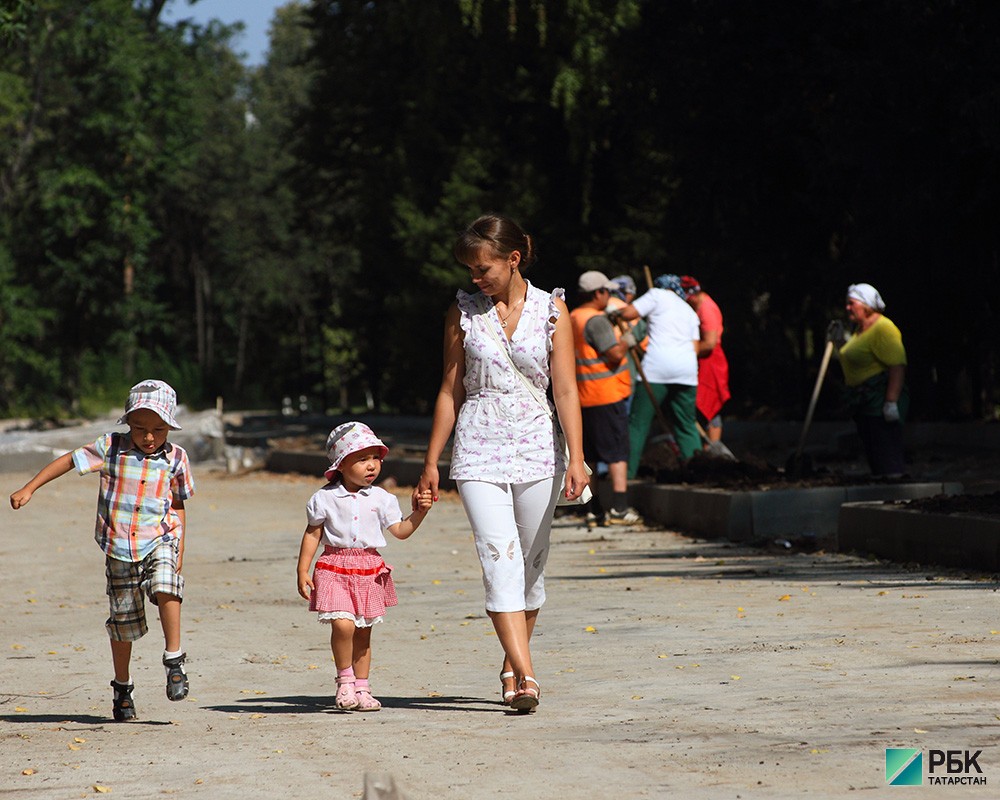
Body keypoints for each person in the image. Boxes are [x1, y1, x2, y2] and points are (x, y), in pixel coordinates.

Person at [415, 213, 588, 712]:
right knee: (499, 558)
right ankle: (528, 674)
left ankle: (512, 664)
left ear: (514, 259)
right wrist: (431, 461)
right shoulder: (463, 313)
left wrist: (578, 458)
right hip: (477, 448)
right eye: (469, 268)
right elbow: (450, 390)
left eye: (482, 267)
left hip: (539, 447)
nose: (475, 277)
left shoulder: (552, 311)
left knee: (530, 567)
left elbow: (567, 390)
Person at [9, 380, 195, 722]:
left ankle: (174, 659)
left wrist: (179, 543)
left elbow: (179, 503)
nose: (149, 437)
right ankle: (123, 687)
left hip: (161, 540)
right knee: (124, 625)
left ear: (170, 426)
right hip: (120, 548)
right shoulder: (110, 448)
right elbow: (68, 460)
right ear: (127, 423)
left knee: (168, 586)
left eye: (158, 429)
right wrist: (30, 487)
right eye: (140, 428)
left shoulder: (177, 458)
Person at [296, 421, 432, 711]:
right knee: (343, 625)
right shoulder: (325, 499)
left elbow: (401, 531)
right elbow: (312, 533)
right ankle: (344, 681)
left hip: (369, 569)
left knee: (363, 632)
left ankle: (362, 687)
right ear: (341, 465)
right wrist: (302, 569)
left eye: (375, 458)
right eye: (362, 459)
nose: (372, 466)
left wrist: (419, 512)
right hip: (334, 566)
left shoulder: (383, 498)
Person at [610, 273, 701, 477]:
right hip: (687, 372)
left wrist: (613, 312)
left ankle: (627, 474)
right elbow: (695, 348)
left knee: (638, 423)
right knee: (686, 424)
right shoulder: (690, 311)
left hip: (656, 370)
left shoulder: (657, 295)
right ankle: (697, 470)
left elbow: (629, 313)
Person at [570, 270, 641, 527]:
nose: (609, 296)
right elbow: (612, 354)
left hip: (582, 397)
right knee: (617, 453)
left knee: (590, 457)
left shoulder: (572, 317)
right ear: (598, 293)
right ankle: (620, 508)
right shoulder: (596, 321)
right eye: (607, 292)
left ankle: (594, 509)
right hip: (606, 395)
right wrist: (628, 341)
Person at [830, 283, 909, 477]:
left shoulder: (883, 329)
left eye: (852, 303)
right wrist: (839, 342)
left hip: (879, 401)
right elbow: (853, 358)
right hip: (864, 402)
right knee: (874, 452)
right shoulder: (860, 331)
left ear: (866, 305)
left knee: (886, 449)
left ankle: (893, 489)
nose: (847, 308)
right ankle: (883, 488)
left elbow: (897, 366)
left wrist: (891, 402)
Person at [680, 275, 731, 448]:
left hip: (711, 363)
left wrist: (685, 351)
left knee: (710, 405)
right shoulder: (700, 307)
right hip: (705, 362)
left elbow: (709, 343)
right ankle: (707, 449)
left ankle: (713, 448)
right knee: (702, 407)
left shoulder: (706, 308)